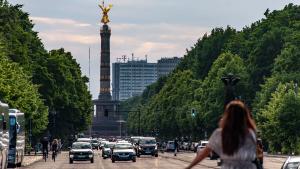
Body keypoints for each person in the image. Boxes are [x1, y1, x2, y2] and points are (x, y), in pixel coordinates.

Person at [185, 100, 257, 169]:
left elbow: (203, 154)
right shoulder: (251, 133)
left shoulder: (220, 134)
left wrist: (189, 167)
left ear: (228, 116)